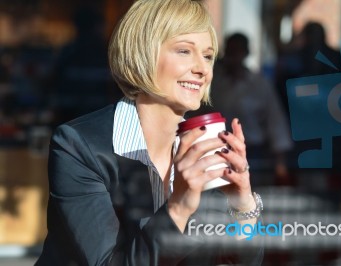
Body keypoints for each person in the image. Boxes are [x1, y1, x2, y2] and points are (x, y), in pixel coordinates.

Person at [35, 0, 264, 265]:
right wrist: (179, 208)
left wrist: (243, 204)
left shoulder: (203, 146)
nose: (203, 69)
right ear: (142, 53)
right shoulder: (79, 146)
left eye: (208, 56)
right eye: (184, 51)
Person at [196, 33, 293, 180]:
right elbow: (198, 113)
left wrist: (280, 162)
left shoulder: (259, 84)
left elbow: (275, 121)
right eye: (231, 51)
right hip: (216, 148)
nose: (235, 56)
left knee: (247, 194)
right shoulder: (212, 82)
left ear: (246, 53)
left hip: (253, 151)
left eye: (239, 51)